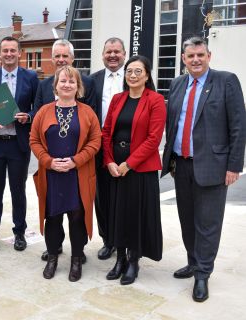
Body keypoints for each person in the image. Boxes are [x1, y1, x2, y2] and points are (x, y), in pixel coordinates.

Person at [161, 37, 246, 302]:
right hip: (182, 164)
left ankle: (203, 275)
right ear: (183, 59)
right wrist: (171, 160)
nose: (195, 60)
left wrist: (234, 165)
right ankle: (192, 261)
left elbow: (238, 126)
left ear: (209, 55)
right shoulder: (176, 84)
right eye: (190, 56)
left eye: (200, 54)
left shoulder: (226, 81)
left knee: (207, 224)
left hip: (213, 166)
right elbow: (173, 123)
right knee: (187, 221)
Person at [30, 65, 100, 281]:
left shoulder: (87, 112)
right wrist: (48, 161)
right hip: (51, 175)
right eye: (63, 81)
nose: (67, 84)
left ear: (78, 86)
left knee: (77, 218)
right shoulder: (44, 111)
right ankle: (52, 258)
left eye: (72, 81)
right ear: (56, 86)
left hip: (77, 175)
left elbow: (96, 141)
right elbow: (33, 140)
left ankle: (77, 259)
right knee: (52, 218)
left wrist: (75, 161)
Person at [102, 55, 166, 285]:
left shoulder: (155, 100)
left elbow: (153, 139)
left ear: (147, 75)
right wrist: (109, 161)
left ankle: (133, 261)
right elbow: (106, 132)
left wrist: (128, 164)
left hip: (139, 168)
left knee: (135, 215)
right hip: (115, 166)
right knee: (117, 213)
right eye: (129, 71)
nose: (133, 75)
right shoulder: (118, 99)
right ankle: (119, 258)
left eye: (138, 71)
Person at [0, 36, 39, 251]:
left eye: (13, 50)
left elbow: (38, 107)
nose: (9, 54)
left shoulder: (30, 77)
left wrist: (28, 117)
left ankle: (19, 231)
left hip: (18, 143)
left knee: (18, 191)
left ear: (20, 53)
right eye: (5, 51)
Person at [90, 37, 127, 260]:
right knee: (102, 197)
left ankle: (125, 239)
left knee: (125, 196)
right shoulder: (92, 80)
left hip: (126, 148)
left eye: (117, 51)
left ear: (124, 54)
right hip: (99, 146)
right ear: (102, 55)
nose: (112, 55)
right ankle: (108, 240)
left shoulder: (134, 78)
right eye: (108, 52)